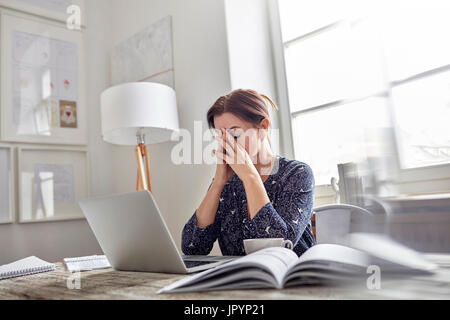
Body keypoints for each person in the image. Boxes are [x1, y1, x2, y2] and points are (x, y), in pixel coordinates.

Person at [182, 89, 315, 257]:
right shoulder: (227, 182)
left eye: (235, 135)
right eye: (221, 137)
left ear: (263, 127)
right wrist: (217, 183)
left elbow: (278, 246)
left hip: (291, 279)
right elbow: (192, 248)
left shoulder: (297, 174)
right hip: (240, 280)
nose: (227, 145)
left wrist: (250, 177)